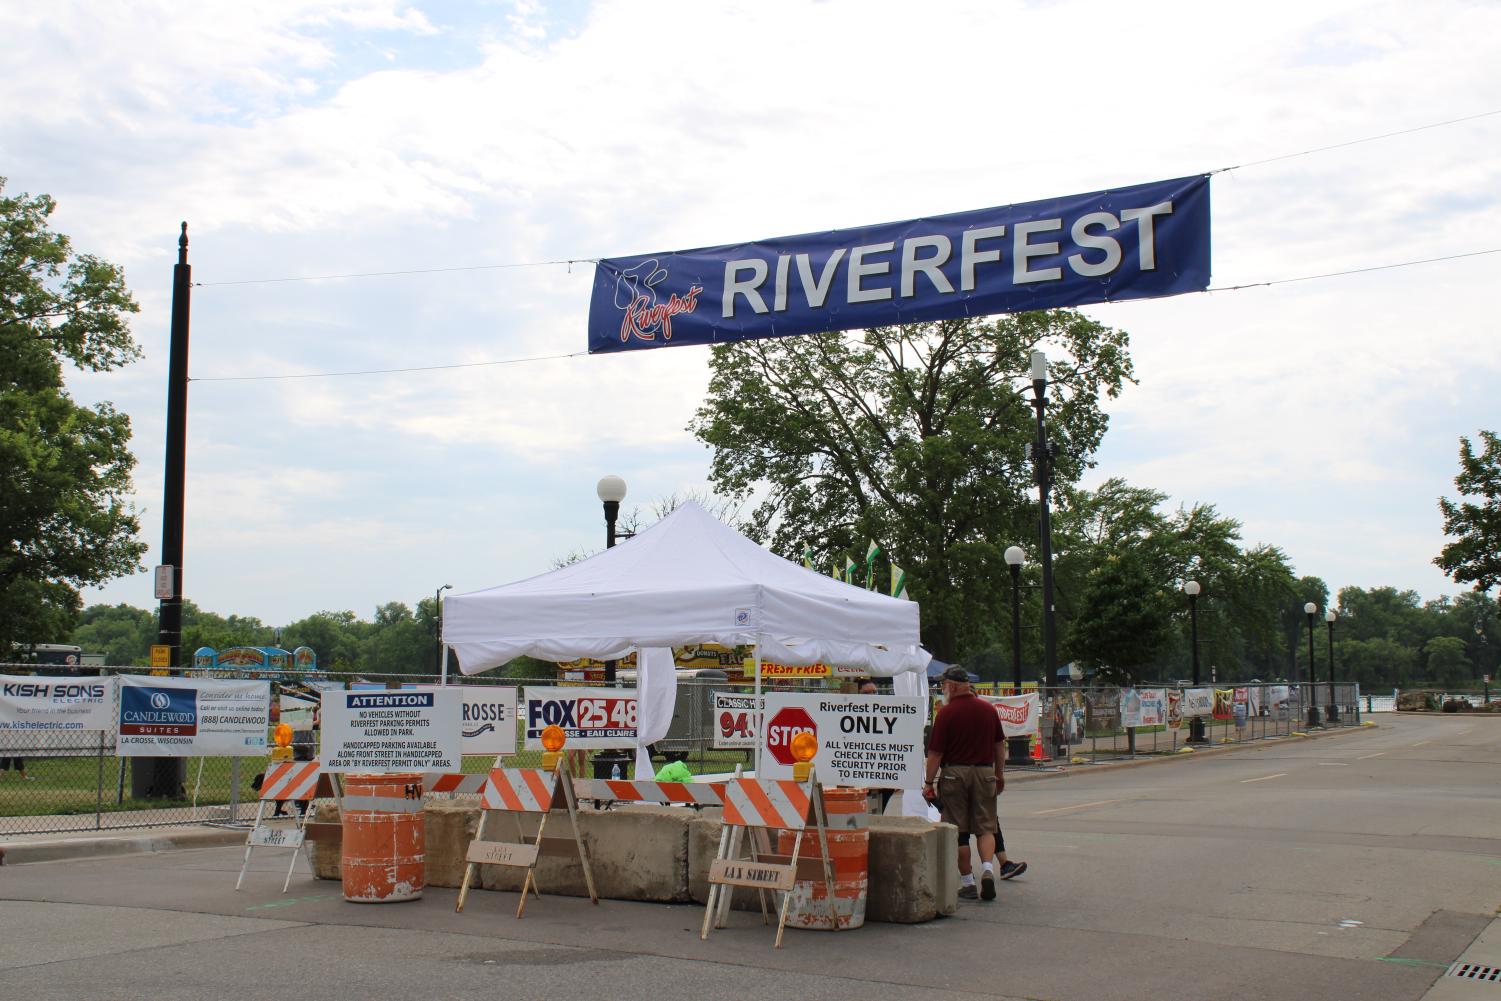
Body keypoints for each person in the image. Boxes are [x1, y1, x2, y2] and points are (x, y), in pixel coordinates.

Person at [923, 664, 1025, 901]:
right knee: (986, 826)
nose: (941, 688)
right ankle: (989, 869)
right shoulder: (988, 710)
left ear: (953, 685)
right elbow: (999, 746)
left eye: (943, 684)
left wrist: (928, 782)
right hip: (984, 772)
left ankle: (968, 881)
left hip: (954, 774)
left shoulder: (946, 714)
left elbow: (936, 753)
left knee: (958, 831)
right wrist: (999, 774)